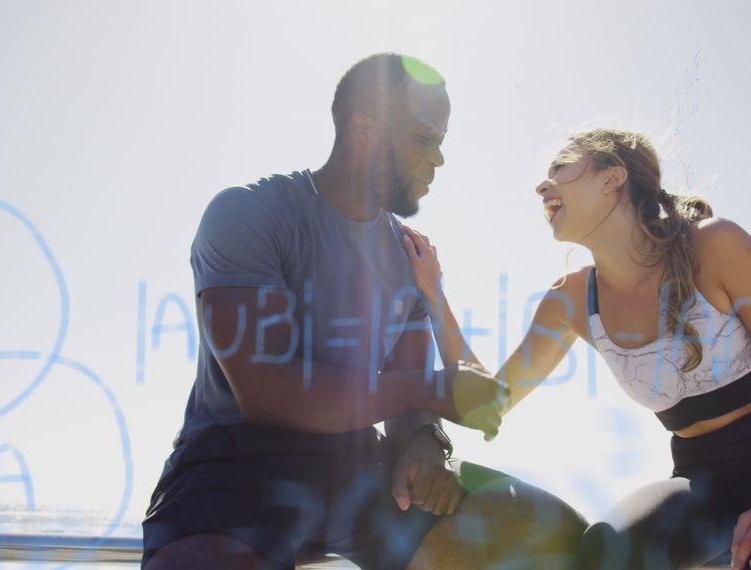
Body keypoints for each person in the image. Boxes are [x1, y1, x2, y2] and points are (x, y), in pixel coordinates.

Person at [141, 53, 586, 570]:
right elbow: (265, 391)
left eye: (441, 142)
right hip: (233, 467)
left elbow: (406, 392)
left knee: (555, 537)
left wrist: (423, 440)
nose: (438, 160)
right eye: (424, 139)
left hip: (355, 468)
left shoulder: (409, 256)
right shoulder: (247, 214)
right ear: (364, 129)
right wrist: (434, 392)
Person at [401, 128, 751, 569]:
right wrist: (434, 293)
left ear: (613, 177)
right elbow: (490, 403)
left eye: (561, 167)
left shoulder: (715, 246)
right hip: (701, 485)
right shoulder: (570, 301)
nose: (542, 187)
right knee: (605, 553)